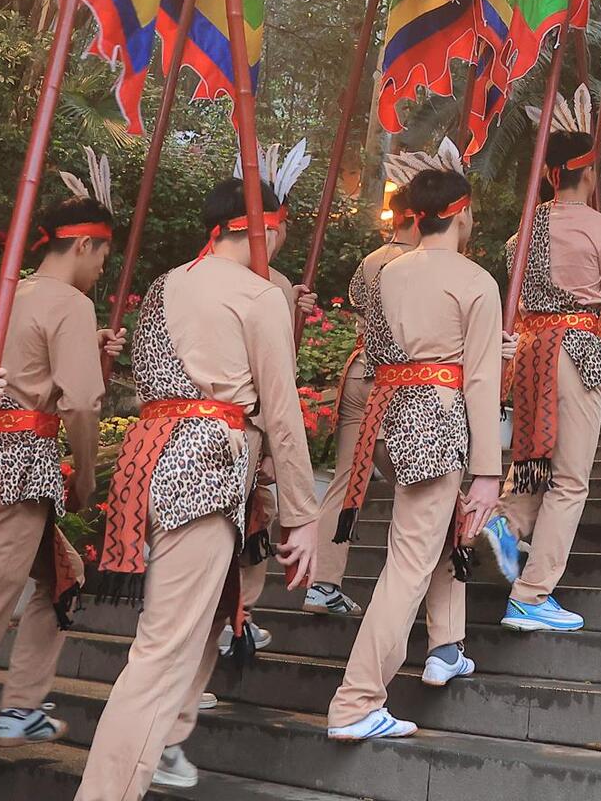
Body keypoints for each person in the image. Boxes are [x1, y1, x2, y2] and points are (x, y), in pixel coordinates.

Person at [76, 177, 318, 799]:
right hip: (205, 468)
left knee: (187, 635)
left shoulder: (164, 285)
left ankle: (161, 744)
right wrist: (302, 514)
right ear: (265, 225)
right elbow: (284, 413)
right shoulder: (259, 296)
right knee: (159, 657)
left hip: (149, 461)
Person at [0, 178, 122, 795]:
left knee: (62, 578)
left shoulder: (13, 292)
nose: (101, 273)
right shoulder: (70, 303)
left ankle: (21, 703)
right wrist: (88, 475)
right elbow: (82, 401)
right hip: (17, 469)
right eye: (103, 259)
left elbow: (30, 366)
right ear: (86, 246)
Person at [324, 149, 504, 740]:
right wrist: (488, 470)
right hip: (440, 422)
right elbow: (478, 380)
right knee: (408, 563)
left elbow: (378, 355)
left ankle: (443, 648)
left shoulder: (386, 273)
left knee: (417, 548)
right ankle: (356, 701)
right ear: (459, 214)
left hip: (390, 417)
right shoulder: (475, 280)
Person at [481, 119, 601, 631]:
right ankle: (532, 593)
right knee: (570, 480)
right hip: (576, 350)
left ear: (550, 177)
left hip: (528, 351)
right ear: (588, 174)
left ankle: (506, 522)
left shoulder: (519, 236)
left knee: (531, 462)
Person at [305, 176, 420, 617]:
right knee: (420, 478)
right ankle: (455, 542)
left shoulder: (371, 260)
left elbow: (358, 305)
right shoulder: (420, 263)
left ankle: (323, 582)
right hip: (396, 379)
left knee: (345, 478)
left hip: (358, 372)